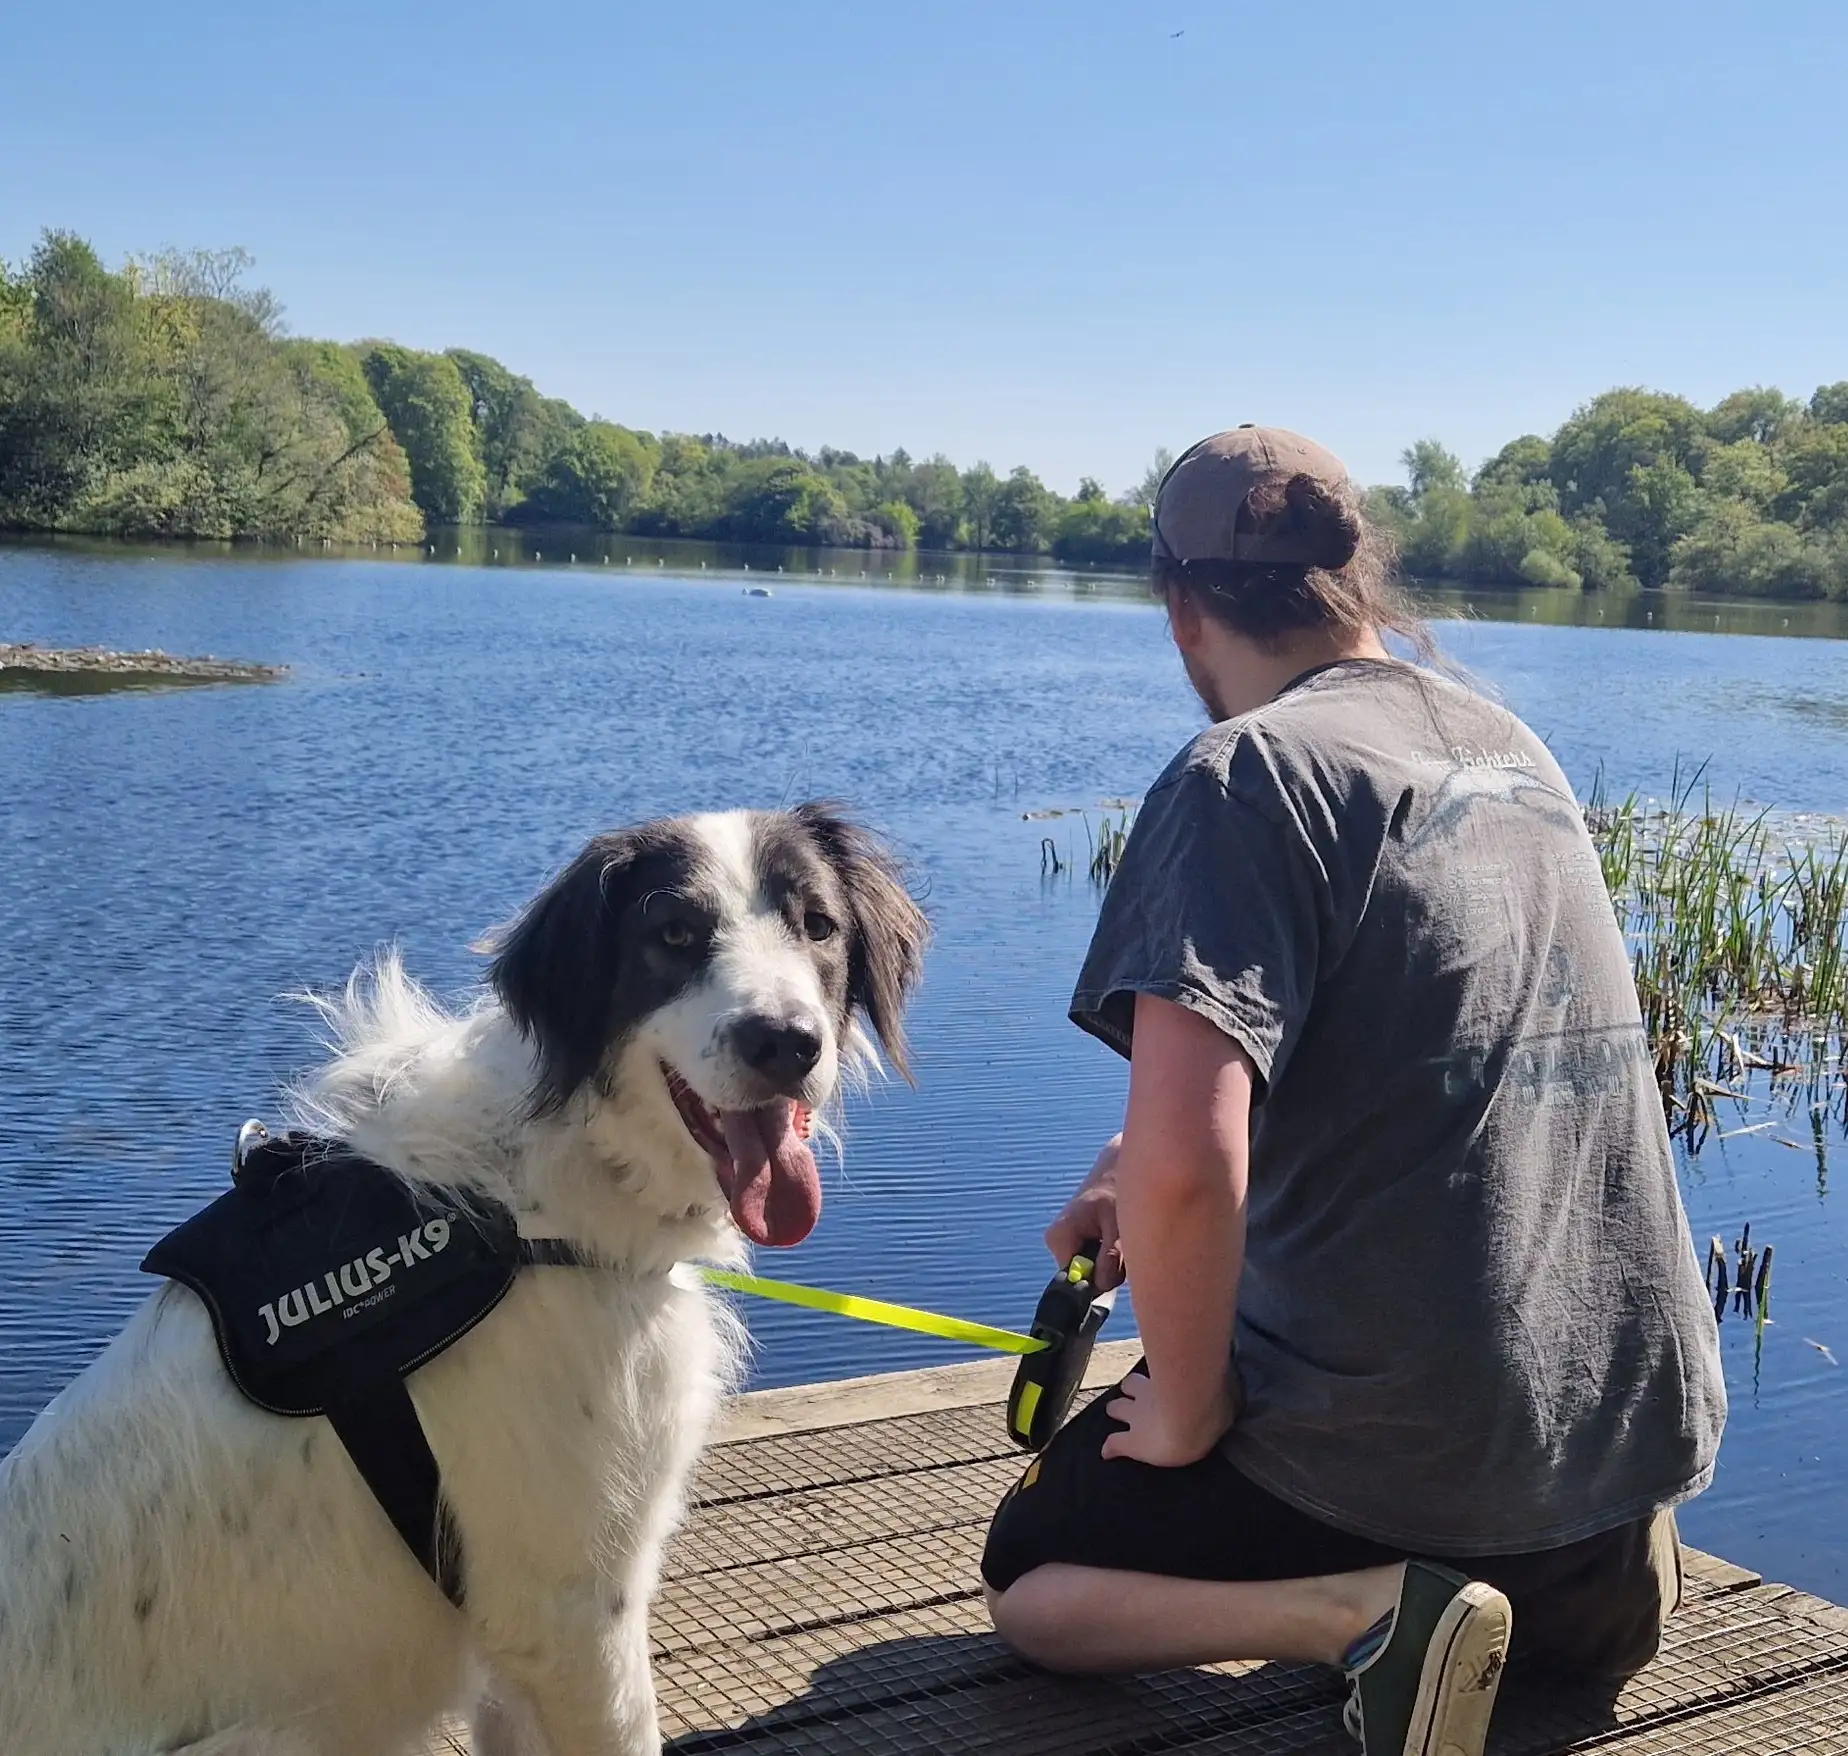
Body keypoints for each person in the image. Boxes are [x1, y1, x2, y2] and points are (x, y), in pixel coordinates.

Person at [980, 427, 1726, 1756]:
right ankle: (1553, 1590)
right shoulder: (1508, 745)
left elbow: (1189, 1176)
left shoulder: (1245, 773)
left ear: (1180, 609)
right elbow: (1431, 1062)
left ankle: (1373, 1613)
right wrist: (1136, 1145)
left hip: (1430, 1497)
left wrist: (1196, 1398)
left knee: (1032, 1583)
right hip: (1612, 1503)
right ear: (1355, 586)